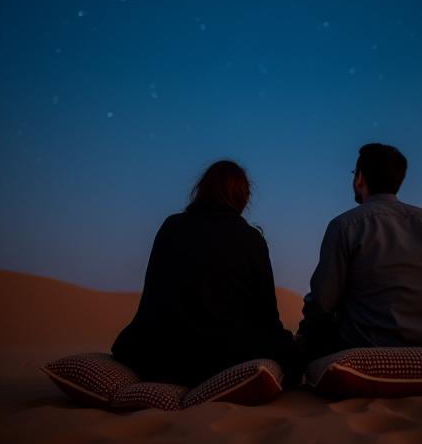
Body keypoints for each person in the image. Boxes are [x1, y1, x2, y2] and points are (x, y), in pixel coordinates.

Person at [112, 160, 300, 387]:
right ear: (243, 197)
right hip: (221, 357)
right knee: (289, 351)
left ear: (202, 189)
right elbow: (266, 314)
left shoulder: (171, 226)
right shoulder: (250, 239)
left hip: (159, 354)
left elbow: (152, 297)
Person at [296, 143, 422, 362]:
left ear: (360, 178)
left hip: (370, 342)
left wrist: (305, 334)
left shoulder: (345, 225)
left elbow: (323, 302)